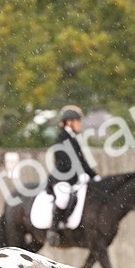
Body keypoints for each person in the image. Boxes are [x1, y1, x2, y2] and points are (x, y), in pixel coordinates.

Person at [44, 105, 99, 247]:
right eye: (77, 120)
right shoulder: (61, 138)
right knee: (63, 199)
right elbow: (66, 162)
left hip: (73, 179)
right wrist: (80, 174)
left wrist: (94, 176)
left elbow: (81, 161)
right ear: (69, 122)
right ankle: (53, 230)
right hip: (61, 178)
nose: (80, 123)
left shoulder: (73, 138)